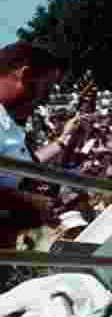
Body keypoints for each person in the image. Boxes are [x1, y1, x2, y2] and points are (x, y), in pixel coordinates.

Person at [0, 43, 70, 249]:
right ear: (25, 75)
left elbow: (17, 170)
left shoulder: (9, 121)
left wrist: (64, 140)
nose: (44, 100)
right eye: (45, 89)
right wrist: (28, 201)